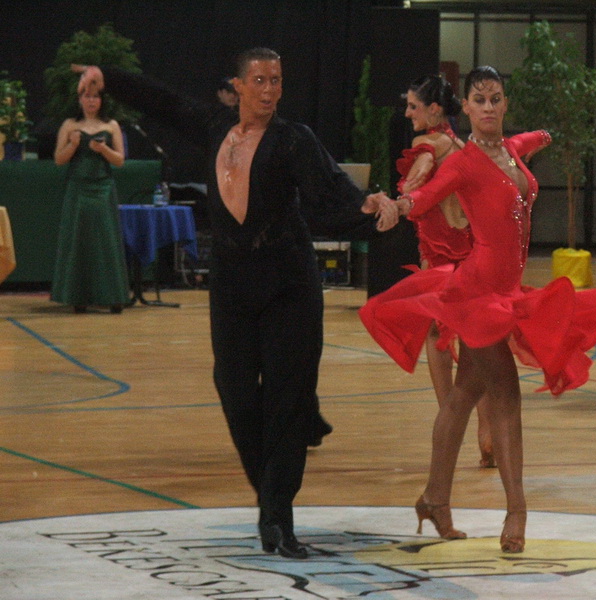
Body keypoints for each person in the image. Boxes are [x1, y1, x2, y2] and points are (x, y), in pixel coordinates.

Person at [74, 48, 398, 559]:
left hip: (289, 283)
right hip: (231, 284)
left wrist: (369, 205)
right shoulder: (214, 126)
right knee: (235, 390)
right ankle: (270, 497)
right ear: (239, 86)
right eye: (260, 80)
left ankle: (277, 516)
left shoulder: (293, 139)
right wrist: (107, 77)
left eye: (277, 80)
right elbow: (163, 102)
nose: (269, 90)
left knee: (288, 400)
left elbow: (330, 189)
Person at [360, 66, 596, 553]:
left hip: (507, 292)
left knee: (462, 397)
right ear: (467, 108)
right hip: (478, 295)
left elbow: (536, 137)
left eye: (496, 98)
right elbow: (423, 196)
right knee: (506, 392)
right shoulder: (463, 162)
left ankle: (434, 498)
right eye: (480, 100)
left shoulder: (513, 150)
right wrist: (395, 206)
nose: (490, 107)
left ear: (505, 102)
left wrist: (554, 132)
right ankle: (517, 510)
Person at [398, 74, 496, 468]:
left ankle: (449, 418)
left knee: (437, 335)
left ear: (434, 109)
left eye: (413, 106)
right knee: (476, 339)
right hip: (473, 253)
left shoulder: (428, 145)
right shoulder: (461, 144)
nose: (408, 114)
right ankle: (487, 430)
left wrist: (401, 198)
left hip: (440, 259)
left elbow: (414, 187)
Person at [52, 87, 129, 314]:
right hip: (78, 187)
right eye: (87, 96)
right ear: (80, 100)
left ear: (102, 100)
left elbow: (120, 160)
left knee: (106, 239)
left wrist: (103, 149)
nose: (91, 101)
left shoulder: (111, 125)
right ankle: (78, 296)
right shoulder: (69, 125)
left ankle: (113, 296)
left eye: (95, 97)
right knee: (79, 239)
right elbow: (59, 159)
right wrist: (73, 144)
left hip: (103, 187)